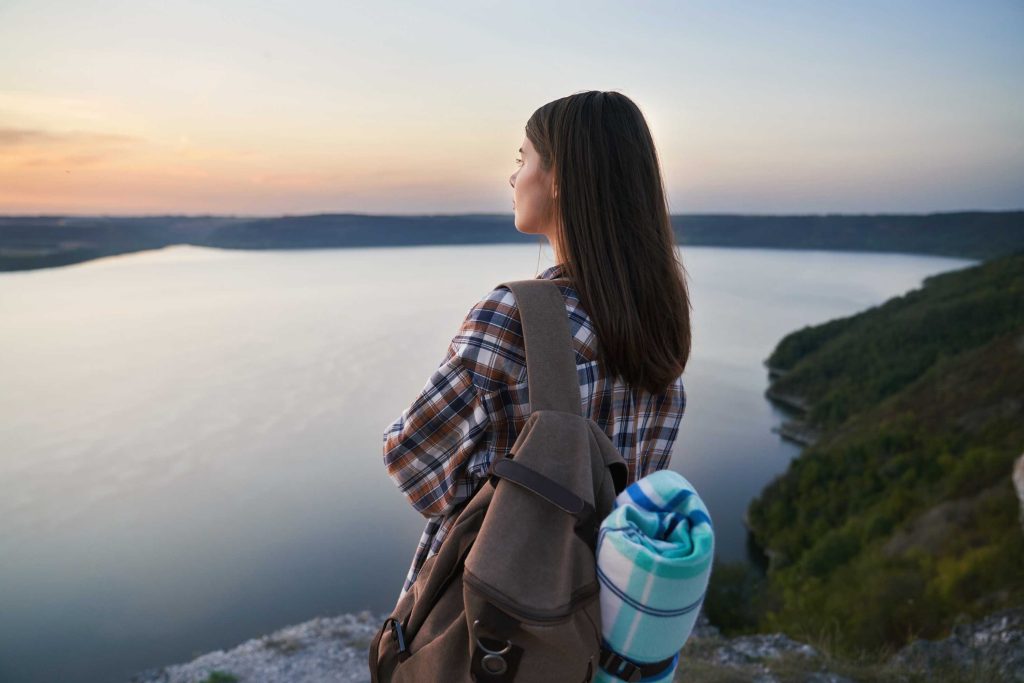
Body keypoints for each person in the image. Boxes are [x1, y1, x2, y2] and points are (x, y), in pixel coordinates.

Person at [383, 90, 692, 601]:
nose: (512, 176)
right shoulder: (657, 325)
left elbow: (413, 465)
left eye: (522, 158)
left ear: (560, 180)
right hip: (593, 612)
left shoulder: (516, 318)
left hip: (490, 616)